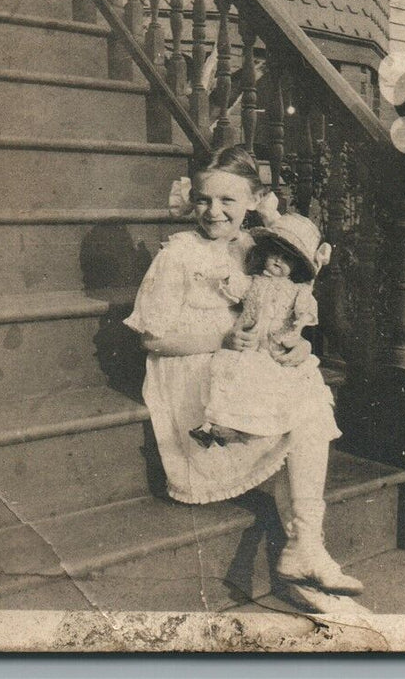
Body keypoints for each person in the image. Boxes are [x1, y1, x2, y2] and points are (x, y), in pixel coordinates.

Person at [126, 145, 363, 608]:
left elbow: (279, 307)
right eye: (203, 200)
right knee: (300, 408)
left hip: (246, 366)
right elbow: (151, 341)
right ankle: (303, 548)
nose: (213, 212)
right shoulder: (178, 256)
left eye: (227, 201)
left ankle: (304, 546)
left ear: (253, 200)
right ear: (191, 200)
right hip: (196, 371)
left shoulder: (258, 247)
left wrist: (297, 343)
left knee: (311, 395)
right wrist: (221, 340)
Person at [190, 211, 332, 449]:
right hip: (250, 343)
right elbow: (233, 283)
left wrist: (298, 326)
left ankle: (252, 428)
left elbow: (305, 311)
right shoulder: (254, 281)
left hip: (273, 345)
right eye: (274, 254)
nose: (277, 260)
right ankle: (213, 424)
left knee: (265, 381)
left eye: (287, 258)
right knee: (229, 370)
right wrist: (218, 274)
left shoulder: (296, 291)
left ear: (296, 265)